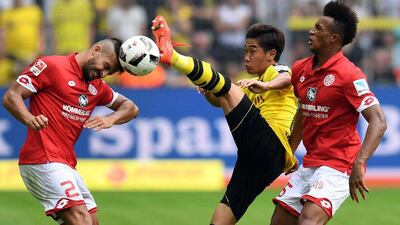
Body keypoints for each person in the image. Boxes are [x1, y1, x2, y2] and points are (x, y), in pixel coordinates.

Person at [151, 16, 298, 225]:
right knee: (220, 221)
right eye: (245, 51)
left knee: (227, 86)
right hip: (257, 161)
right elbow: (220, 101)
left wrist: (266, 86)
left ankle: (172, 56)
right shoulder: (252, 85)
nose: (246, 57)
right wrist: (210, 88)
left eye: (252, 51)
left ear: (271, 54)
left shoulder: (276, 71)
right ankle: (185, 64)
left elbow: (288, 78)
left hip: (269, 144)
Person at [270, 2, 387, 225]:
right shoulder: (300, 69)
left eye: (319, 28)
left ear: (334, 38)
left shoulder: (350, 74)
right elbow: (303, 112)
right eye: (313, 26)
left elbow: (379, 122)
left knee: (309, 221)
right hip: (311, 163)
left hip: (339, 165)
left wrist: (359, 163)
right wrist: (290, 152)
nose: (311, 31)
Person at [2, 38, 139, 225]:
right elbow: (12, 96)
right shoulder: (51, 65)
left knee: (92, 221)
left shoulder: (96, 87)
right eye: (105, 66)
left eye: (109, 72)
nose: (104, 74)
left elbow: (131, 107)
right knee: (81, 220)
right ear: (96, 50)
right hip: (43, 159)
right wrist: (30, 119)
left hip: (66, 164)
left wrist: (110, 119)